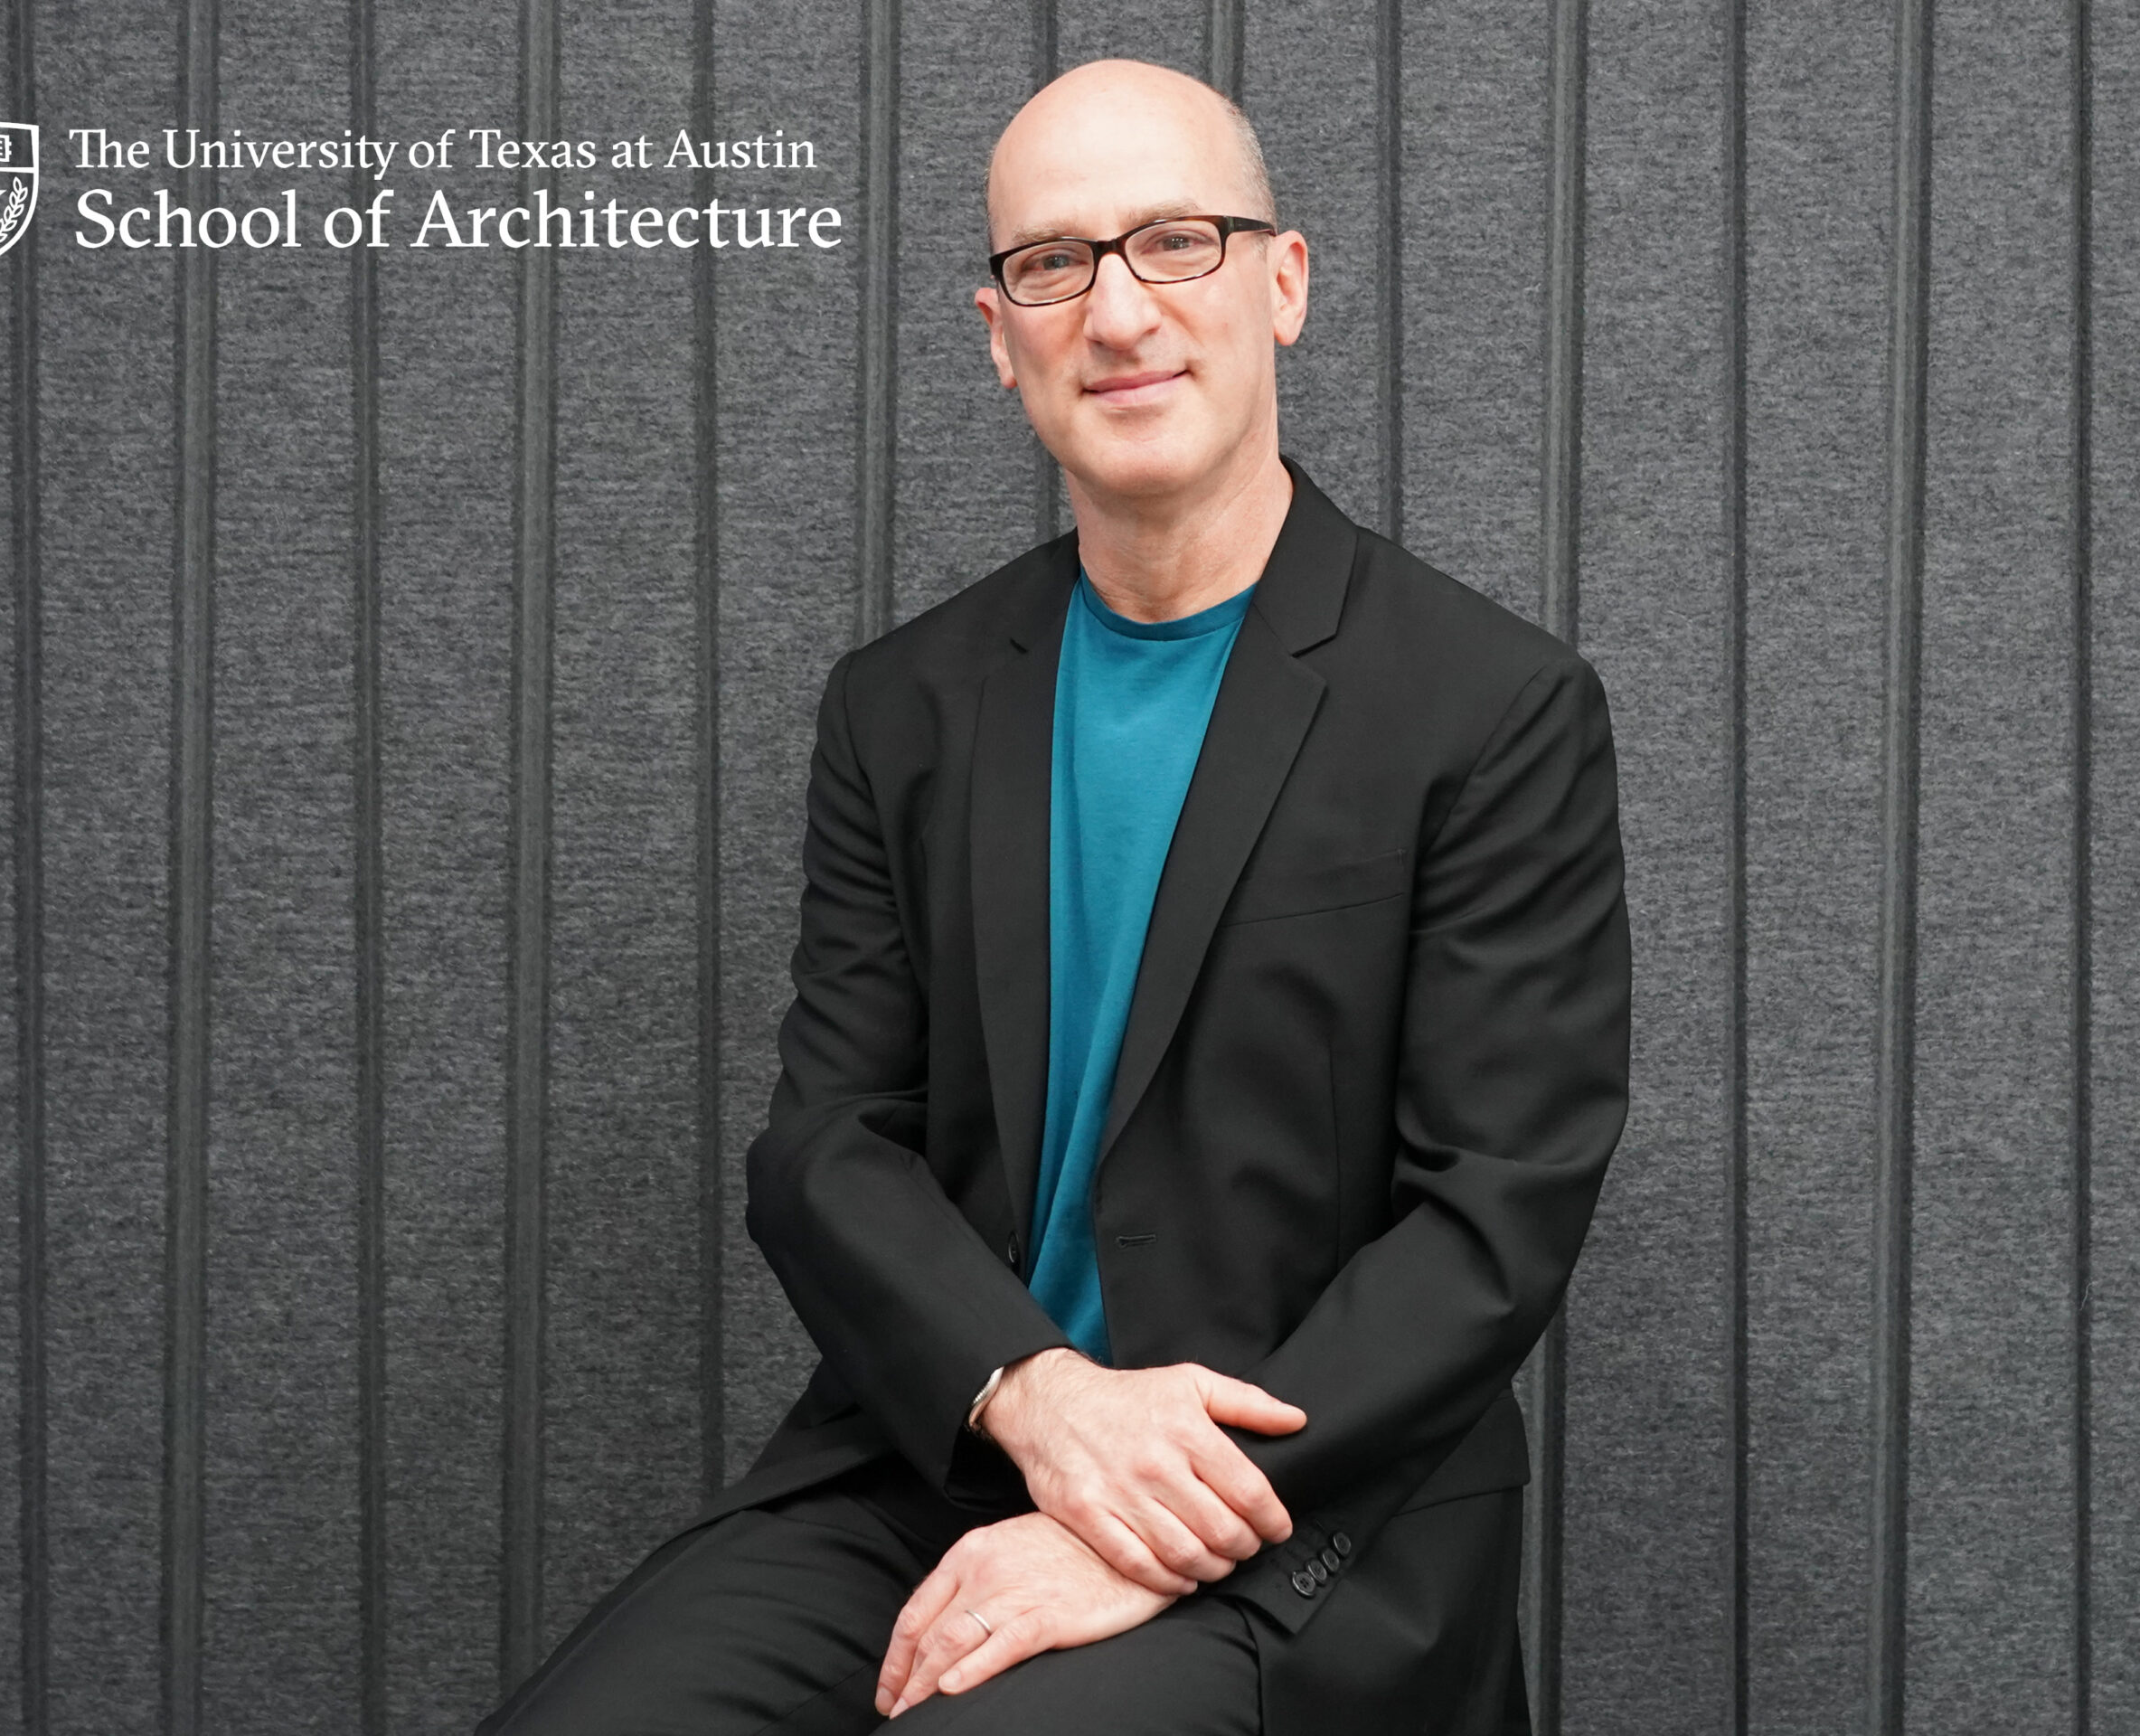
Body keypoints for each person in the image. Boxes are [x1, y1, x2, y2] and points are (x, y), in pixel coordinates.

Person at [476, 54, 1629, 1736]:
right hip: (944, 1449)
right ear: (999, 329)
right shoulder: (905, 705)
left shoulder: (1491, 705)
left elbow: (1493, 1216)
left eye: (1176, 241)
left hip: (1309, 1506)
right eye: (1053, 263)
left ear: (1283, 282)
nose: (1118, 310)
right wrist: (1035, 1401)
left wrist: (1155, 1528)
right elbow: (825, 1150)